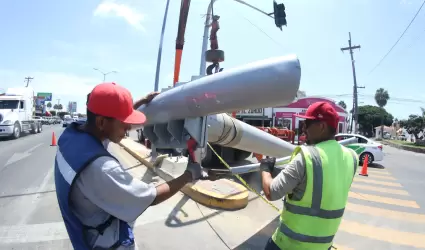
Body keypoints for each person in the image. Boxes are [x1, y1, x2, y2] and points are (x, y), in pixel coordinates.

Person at [55, 82, 204, 250]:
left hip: (83, 231)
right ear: (101, 122)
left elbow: (109, 118)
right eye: (124, 123)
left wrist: (140, 102)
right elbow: (151, 197)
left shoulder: (72, 135)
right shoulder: (101, 168)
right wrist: (189, 174)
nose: (128, 129)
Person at [260, 101, 359, 250]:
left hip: (289, 244)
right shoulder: (352, 157)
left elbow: (272, 191)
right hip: (323, 246)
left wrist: (265, 168)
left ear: (322, 126)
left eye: (307, 122)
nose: (304, 128)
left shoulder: (307, 157)